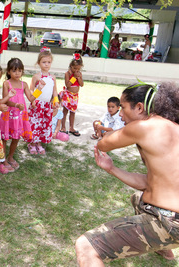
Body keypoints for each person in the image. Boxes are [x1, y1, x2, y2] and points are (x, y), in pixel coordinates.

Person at [75, 81, 179, 266]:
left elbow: (104, 143)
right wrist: (112, 168)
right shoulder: (171, 127)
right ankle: (165, 249)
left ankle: (163, 238)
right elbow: (148, 182)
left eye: (122, 107)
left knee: (86, 246)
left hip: (170, 221)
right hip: (173, 217)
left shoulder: (143, 127)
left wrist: (104, 129)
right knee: (139, 199)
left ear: (139, 107)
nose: (120, 114)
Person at [0, 58, 34, 170]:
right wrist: (16, 105)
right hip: (8, 114)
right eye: (14, 71)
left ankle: (10, 157)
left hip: (19, 116)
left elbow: (31, 97)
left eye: (19, 70)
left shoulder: (24, 84)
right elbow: (5, 100)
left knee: (16, 137)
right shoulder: (6, 83)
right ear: (8, 72)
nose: (17, 73)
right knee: (5, 137)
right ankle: (3, 159)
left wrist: (40, 89)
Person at [27, 48, 59, 155]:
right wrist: (33, 100)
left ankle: (39, 144)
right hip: (37, 105)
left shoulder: (52, 77)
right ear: (39, 63)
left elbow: (54, 91)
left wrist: (56, 101)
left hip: (47, 106)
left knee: (44, 124)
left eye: (48, 62)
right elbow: (31, 89)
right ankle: (31, 144)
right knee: (35, 124)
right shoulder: (36, 76)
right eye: (44, 62)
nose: (46, 64)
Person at [59, 53, 84, 137]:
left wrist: (78, 77)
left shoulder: (79, 74)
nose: (76, 70)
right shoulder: (68, 74)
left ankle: (71, 127)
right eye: (74, 68)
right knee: (65, 111)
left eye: (78, 69)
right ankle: (63, 127)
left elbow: (81, 84)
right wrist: (74, 77)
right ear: (70, 66)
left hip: (75, 96)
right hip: (68, 96)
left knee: (73, 112)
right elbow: (68, 85)